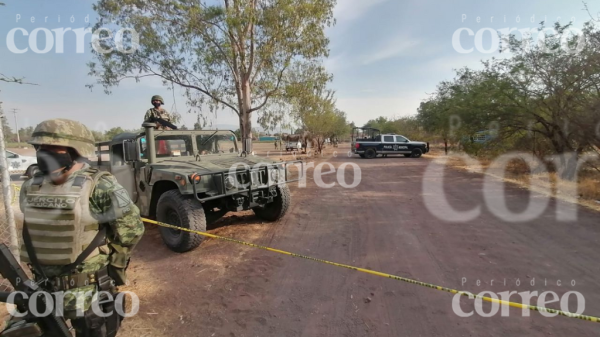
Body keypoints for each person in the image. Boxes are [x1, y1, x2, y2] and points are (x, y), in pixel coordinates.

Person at [10, 119, 145, 337]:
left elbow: (132, 229)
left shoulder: (100, 185)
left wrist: (112, 266)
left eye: (53, 148)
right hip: (42, 287)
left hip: (88, 291)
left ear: (76, 150)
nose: (45, 153)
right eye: (40, 148)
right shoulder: (30, 186)